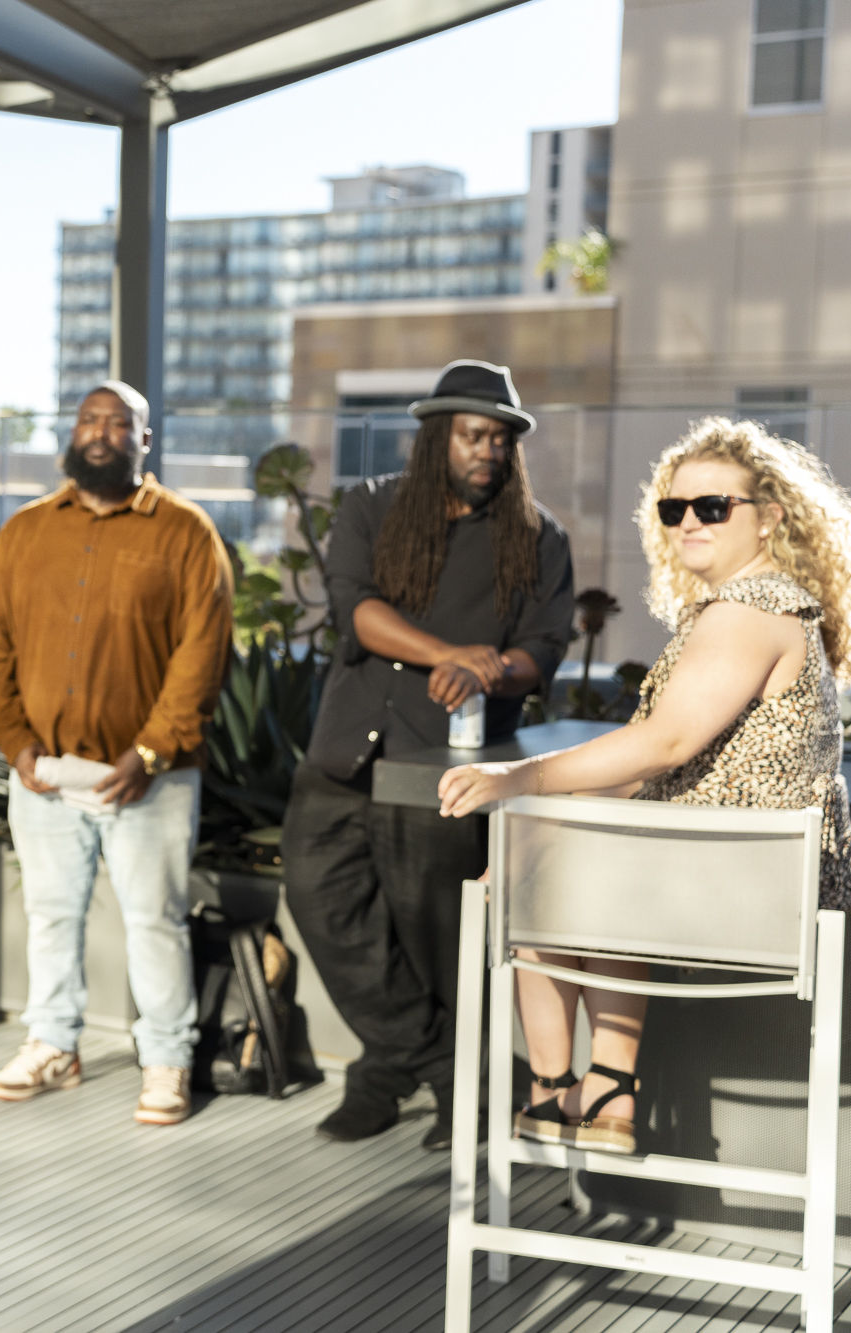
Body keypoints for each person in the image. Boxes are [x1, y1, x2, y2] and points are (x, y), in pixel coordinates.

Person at [440, 415, 851, 1157]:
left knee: (531, 859)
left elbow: (666, 742)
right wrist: (536, 822)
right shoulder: (756, 606)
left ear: (770, 517)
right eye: (673, 508)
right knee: (542, 841)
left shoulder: (752, 608)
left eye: (714, 507)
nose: (688, 522)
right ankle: (597, 1090)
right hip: (727, 871)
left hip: (735, 885)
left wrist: (515, 779)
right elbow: (667, 768)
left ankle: (570, 1087)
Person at [283, 359, 575, 1151]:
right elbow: (356, 608)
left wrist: (490, 667)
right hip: (346, 747)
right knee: (321, 901)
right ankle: (446, 1071)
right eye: (473, 434)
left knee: (433, 932)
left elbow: (543, 650)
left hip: (441, 766)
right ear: (437, 437)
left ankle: (396, 1076)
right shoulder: (371, 508)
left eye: (501, 438)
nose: (488, 449)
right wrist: (453, 654)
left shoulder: (539, 537)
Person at [0, 380, 234, 1126]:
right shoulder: (23, 532)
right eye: (91, 419)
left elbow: (202, 656)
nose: (102, 432)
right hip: (46, 774)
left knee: (155, 919)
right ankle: (54, 1043)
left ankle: (168, 1058)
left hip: (150, 776)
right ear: (73, 432)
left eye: (121, 423)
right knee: (51, 913)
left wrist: (148, 753)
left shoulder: (186, 532)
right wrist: (17, 746)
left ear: (145, 442)